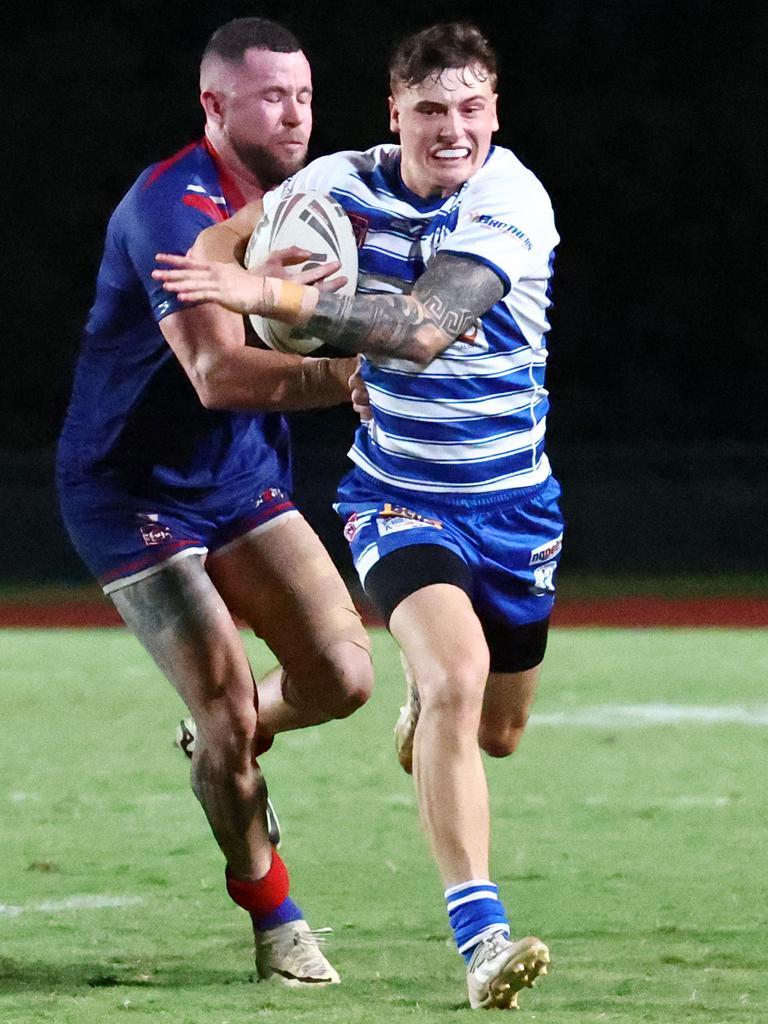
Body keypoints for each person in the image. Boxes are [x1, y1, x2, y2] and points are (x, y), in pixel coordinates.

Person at [154, 20, 560, 1011]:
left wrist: (276, 291)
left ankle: (371, 710)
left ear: (494, 111)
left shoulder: (511, 199)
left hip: (515, 505)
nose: (452, 128)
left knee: (494, 726)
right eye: (429, 110)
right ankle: (481, 939)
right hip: (398, 497)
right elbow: (217, 242)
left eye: (470, 108)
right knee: (455, 677)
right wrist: (241, 287)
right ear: (395, 115)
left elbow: (423, 326)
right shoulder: (339, 183)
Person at [56, 17, 374, 989]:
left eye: (306, 95)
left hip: (237, 475)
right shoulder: (173, 205)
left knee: (345, 677)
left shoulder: (304, 206)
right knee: (232, 711)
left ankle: (222, 733)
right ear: (214, 105)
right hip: (131, 488)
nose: (295, 114)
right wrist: (359, 370)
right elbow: (216, 373)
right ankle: (274, 914)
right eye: (272, 95)